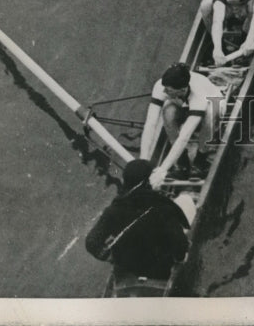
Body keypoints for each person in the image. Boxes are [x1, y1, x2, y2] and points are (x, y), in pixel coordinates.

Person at [85, 158, 192, 293]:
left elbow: (91, 242)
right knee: (186, 200)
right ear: (146, 182)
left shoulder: (113, 210)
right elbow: (180, 247)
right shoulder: (164, 207)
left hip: (128, 271)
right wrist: (180, 258)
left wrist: (111, 258)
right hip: (160, 272)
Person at [140, 62, 223, 187]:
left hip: (214, 104)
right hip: (186, 104)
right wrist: (143, 160)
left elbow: (184, 137)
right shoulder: (161, 85)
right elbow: (150, 124)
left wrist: (163, 169)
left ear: (182, 89)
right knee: (167, 111)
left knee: (210, 114)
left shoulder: (198, 95)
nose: (163, 91)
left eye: (168, 90)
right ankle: (182, 163)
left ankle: (201, 159)